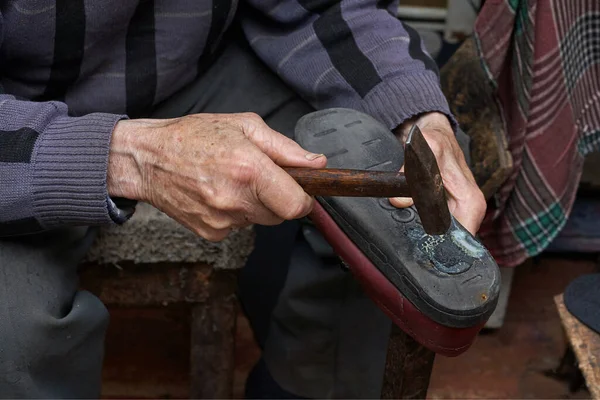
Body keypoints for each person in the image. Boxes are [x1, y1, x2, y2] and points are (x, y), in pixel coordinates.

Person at [0, 0, 485, 398]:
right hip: (15, 128)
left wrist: (411, 108)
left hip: (186, 75)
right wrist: (128, 157)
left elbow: (321, 7)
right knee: (15, 342)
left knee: (381, 173)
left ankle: (305, 391)